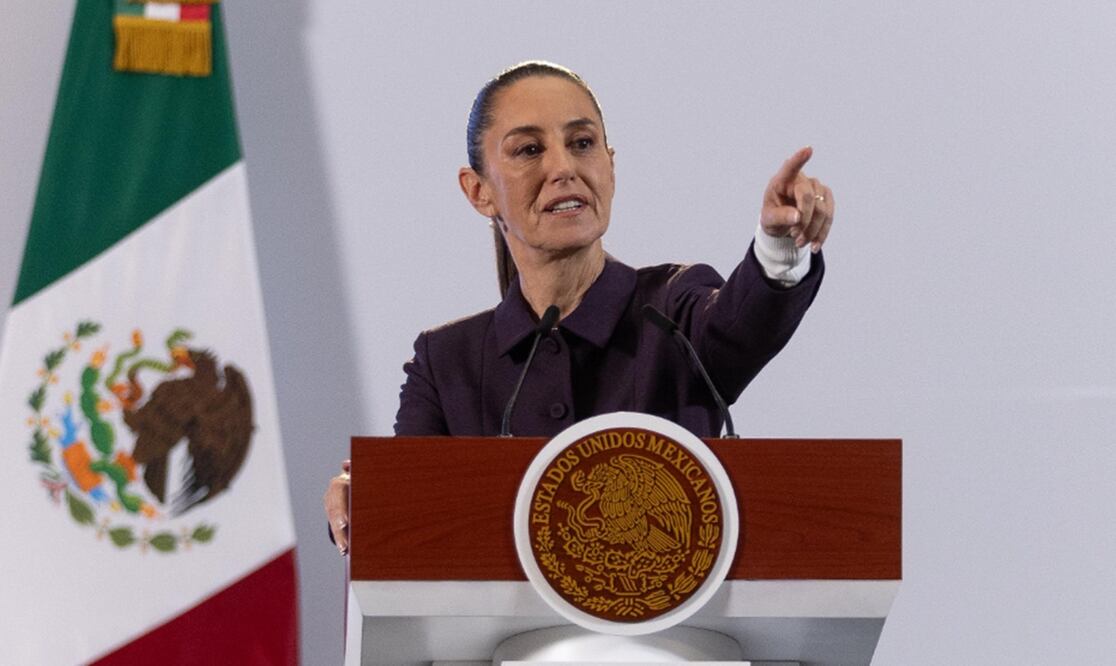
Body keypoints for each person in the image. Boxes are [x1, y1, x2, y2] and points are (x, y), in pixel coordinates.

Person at [324, 61, 834, 556]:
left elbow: (742, 326)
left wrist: (778, 247)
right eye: (528, 149)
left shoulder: (673, 310)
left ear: (610, 166)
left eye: (582, 144)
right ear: (479, 192)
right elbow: (406, 516)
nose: (563, 168)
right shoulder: (445, 363)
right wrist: (363, 498)